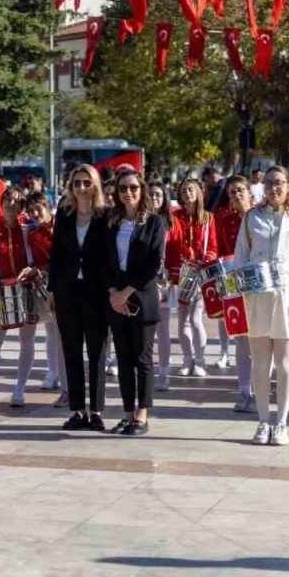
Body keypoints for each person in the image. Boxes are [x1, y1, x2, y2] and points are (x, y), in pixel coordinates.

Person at [235, 167, 289, 445]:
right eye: (269, 183)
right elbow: (240, 259)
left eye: (279, 183)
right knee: (260, 363)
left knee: (285, 363)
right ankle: (262, 421)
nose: (274, 188)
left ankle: (281, 422)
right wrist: (237, 299)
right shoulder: (251, 217)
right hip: (257, 297)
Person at [104, 171, 165, 436]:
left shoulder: (154, 223)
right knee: (123, 358)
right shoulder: (111, 222)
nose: (128, 192)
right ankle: (127, 413)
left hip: (142, 298)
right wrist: (113, 293)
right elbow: (103, 261)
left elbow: (154, 264)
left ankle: (142, 415)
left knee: (142, 358)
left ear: (141, 190)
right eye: (122, 188)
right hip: (116, 299)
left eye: (133, 187)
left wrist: (127, 292)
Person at [50, 164, 110, 431]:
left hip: (97, 292)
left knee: (97, 352)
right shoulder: (65, 214)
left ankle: (95, 411)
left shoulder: (106, 215)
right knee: (71, 351)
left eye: (86, 182)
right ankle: (77, 411)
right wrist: (52, 289)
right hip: (68, 291)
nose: (82, 188)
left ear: (95, 184)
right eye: (77, 183)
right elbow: (56, 253)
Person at [0, 187, 39, 407]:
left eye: (16, 201)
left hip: (26, 289)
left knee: (27, 341)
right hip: (0, 289)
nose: (11, 203)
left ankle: (19, 389)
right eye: (7, 199)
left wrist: (34, 271)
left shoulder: (28, 229)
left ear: (21, 206)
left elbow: (41, 256)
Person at [169, 179, 217, 376]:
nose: (187, 193)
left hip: (199, 274)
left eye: (191, 190)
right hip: (179, 274)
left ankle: (200, 361)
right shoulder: (174, 216)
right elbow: (171, 243)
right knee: (182, 320)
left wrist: (206, 260)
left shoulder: (208, 218)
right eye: (184, 190)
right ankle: (187, 360)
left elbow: (213, 247)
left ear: (198, 192)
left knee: (196, 319)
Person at [23, 192, 65, 402]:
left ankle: (65, 379)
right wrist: (38, 272)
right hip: (45, 286)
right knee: (50, 330)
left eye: (38, 208)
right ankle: (52, 371)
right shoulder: (32, 233)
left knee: (62, 333)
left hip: (64, 283)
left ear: (47, 206)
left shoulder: (61, 226)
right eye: (31, 211)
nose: (35, 214)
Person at [214, 175, 251, 382]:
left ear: (249, 192)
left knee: (261, 337)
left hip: (258, 284)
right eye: (232, 192)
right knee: (240, 335)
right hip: (234, 280)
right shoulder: (225, 220)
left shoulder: (262, 216)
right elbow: (220, 252)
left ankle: (263, 381)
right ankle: (244, 387)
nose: (237, 195)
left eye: (240, 190)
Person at [148, 182, 181, 394]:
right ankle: (144, 371)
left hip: (164, 279)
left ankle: (163, 372)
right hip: (142, 281)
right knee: (144, 330)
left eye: (158, 195)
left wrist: (172, 279)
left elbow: (176, 252)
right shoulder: (139, 219)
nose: (154, 198)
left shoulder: (172, 223)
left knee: (163, 330)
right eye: (151, 194)